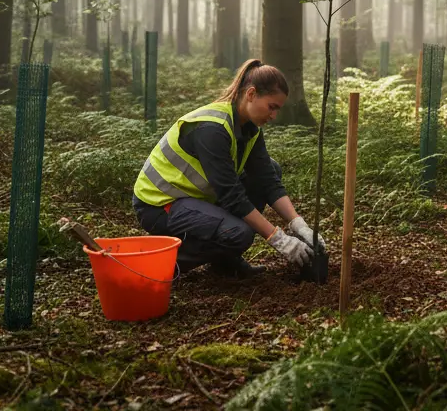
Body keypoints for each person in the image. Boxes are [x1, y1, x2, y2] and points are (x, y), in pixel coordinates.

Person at [132, 59, 324, 280]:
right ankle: (163, 267)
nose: (273, 116)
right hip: (158, 205)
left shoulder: (250, 128)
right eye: (272, 107)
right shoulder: (212, 129)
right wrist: (278, 239)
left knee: (271, 168)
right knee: (238, 233)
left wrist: (298, 225)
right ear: (251, 94)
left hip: (193, 201)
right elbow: (232, 196)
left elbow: (267, 180)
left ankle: (224, 262)